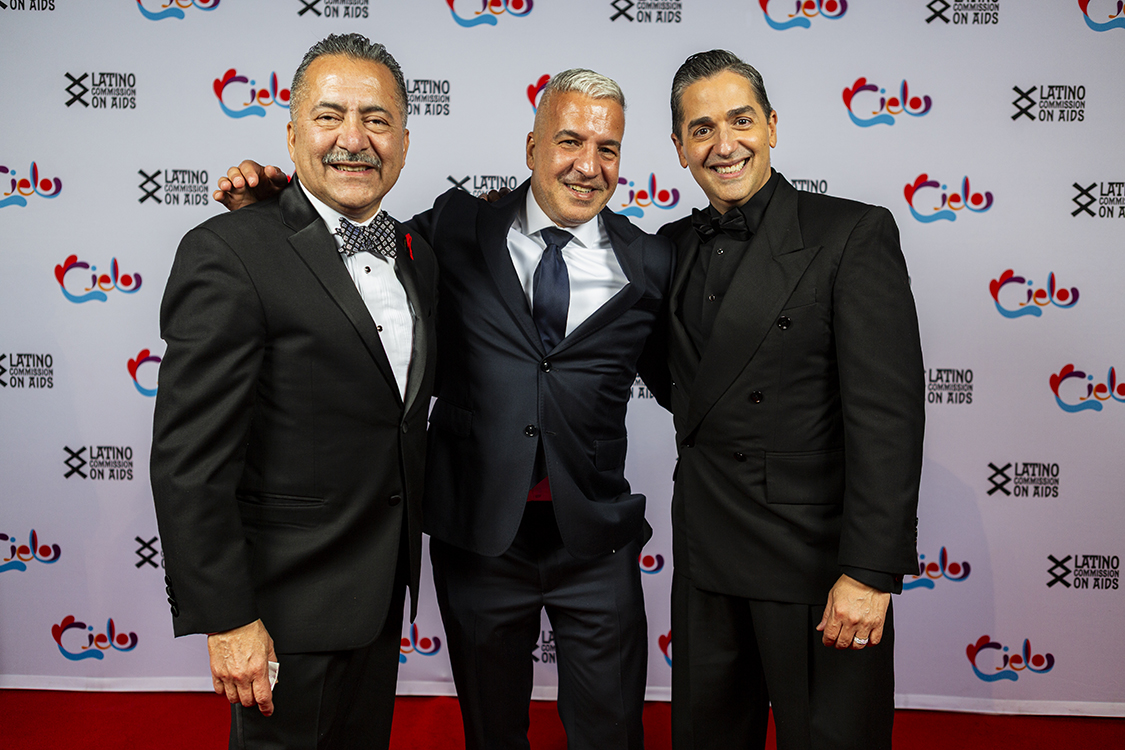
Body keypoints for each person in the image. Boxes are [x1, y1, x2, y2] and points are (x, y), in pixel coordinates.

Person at [216, 69, 673, 750]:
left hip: (594, 538)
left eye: (607, 149)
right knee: (491, 732)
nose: (588, 164)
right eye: (569, 141)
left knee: (612, 733)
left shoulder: (650, 261)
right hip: (480, 537)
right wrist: (278, 208)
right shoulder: (457, 225)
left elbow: (682, 383)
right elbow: (348, 251)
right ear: (531, 147)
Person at [150, 34, 437, 750]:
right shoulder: (230, 250)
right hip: (282, 614)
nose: (354, 139)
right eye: (329, 116)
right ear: (291, 134)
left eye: (376, 119)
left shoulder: (418, 256)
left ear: (404, 142)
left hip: (379, 605)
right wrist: (227, 618)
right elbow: (190, 460)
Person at [658, 50, 925, 750]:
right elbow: (677, 381)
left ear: (772, 126)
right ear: (680, 146)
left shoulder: (851, 233)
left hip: (816, 566)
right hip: (706, 559)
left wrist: (869, 572)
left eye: (741, 121)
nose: (724, 144)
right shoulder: (666, 248)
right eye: (702, 129)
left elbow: (887, 418)